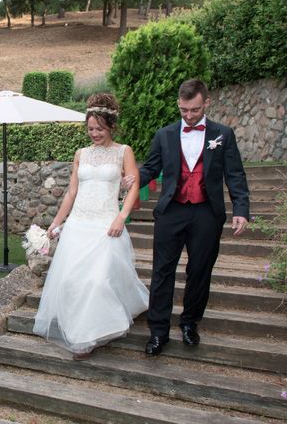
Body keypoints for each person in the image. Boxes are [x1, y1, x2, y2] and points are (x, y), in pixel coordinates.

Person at [138, 78, 250, 356]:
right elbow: (150, 168)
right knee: (162, 272)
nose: (189, 116)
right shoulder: (164, 135)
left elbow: (235, 174)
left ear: (206, 103)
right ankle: (158, 332)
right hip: (171, 211)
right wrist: (129, 179)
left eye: (195, 111)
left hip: (206, 213)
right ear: (179, 104)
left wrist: (240, 209)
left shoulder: (223, 134)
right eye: (184, 110)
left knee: (200, 271)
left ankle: (189, 323)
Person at [33, 94, 148, 359]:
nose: (94, 133)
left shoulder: (124, 151)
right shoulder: (80, 154)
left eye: (100, 128)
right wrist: (56, 222)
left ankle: (94, 333)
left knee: (97, 281)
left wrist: (122, 217)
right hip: (78, 225)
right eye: (90, 128)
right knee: (72, 280)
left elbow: (133, 187)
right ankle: (82, 334)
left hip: (106, 225)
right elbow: (72, 192)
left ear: (111, 126)